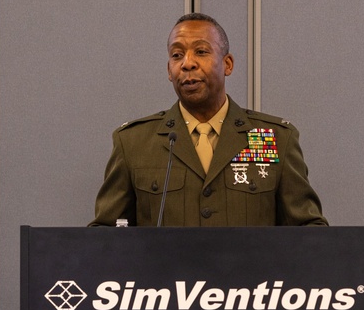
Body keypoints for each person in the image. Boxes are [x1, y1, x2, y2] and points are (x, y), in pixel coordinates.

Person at [90, 13, 328, 227]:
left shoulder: (272, 138)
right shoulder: (134, 143)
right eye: (177, 55)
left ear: (227, 64)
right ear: (168, 70)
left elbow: (308, 234)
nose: (188, 63)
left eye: (201, 52)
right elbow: (106, 240)